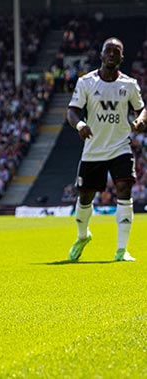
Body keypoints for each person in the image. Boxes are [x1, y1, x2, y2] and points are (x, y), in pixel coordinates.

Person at [66, 37, 146, 262]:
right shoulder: (86, 83)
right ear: (101, 55)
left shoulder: (129, 85)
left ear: (122, 57)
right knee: (85, 197)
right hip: (94, 149)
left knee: (124, 190)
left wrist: (140, 120)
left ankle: (121, 250)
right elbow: (72, 111)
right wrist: (80, 124)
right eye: (108, 51)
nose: (111, 54)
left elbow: (142, 109)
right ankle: (82, 236)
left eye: (116, 51)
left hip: (120, 146)